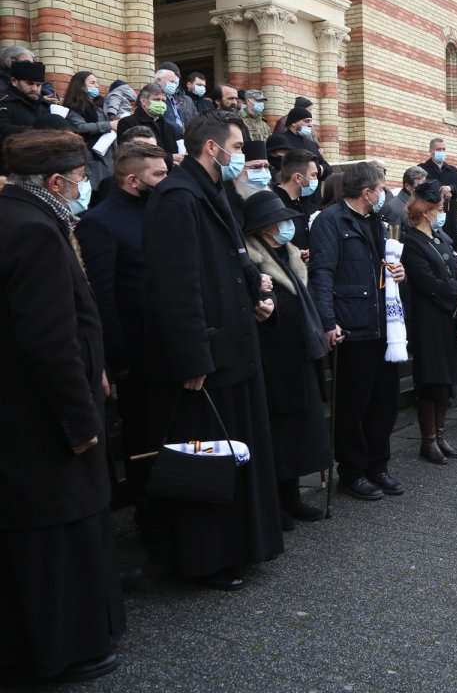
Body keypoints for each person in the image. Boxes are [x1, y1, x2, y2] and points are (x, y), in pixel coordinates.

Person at [0, 129, 125, 683]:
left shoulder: (16, 216)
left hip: (22, 410)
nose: (82, 188)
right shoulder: (33, 230)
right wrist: (79, 421)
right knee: (56, 533)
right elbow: (49, 340)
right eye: (78, 180)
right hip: (43, 417)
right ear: (54, 182)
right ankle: (62, 649)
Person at [141, 110, 283, 591]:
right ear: (212, 147)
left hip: (232, 346)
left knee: (235, 452)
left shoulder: (213, 192)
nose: (240, 156)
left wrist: (255, 296)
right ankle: (205, 559)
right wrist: (192, 357)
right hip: (207, 355)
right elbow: (176, 287)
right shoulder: (176, 199)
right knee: (207, 458)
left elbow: (231, 260)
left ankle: (238, 548)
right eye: (237, 147)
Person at [75, 142, 169, 512]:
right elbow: (103, 295)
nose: (166, 180)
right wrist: (119, 358)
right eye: (158, 174)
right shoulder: (100, 222)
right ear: (133, 180)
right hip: (136, 351)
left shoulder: (161, 210)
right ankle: (148, 509)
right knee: (143, 435)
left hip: (168, 342)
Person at [309, 161, 406, 499]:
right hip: (352, 327)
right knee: (353, 407)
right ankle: (352, 471)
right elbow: (321, 273)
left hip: (382, 326)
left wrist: (398, 272)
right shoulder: (330, 221)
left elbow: (384, 266)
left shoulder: (377, 222)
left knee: (384, 404)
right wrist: (327, 321)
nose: (384, 194)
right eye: (381, 189)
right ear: (367, 192)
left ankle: (379, 465)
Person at [241, 191, 331, 527]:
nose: (286, 226)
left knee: (297, 431)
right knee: (276, 434)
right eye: (280, 221)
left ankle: (292, 496)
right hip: (272, 359)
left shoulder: (289, 254)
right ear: (264, 227)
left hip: (298, 356)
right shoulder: (252, 261)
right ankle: (275, 503)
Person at [401, 181, 457, 462]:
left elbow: (455, 271)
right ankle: (428, 441)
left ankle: (441, 437)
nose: (442, 213)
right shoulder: (411, 242)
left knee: (446, 382)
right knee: (431, 381)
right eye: (439, 208)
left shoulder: (441, 236)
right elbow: (426, 281)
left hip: (450, 317)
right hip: (428, 320)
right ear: (425, 211)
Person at [62, 71, 119, 189]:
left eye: (97, 83)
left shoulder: (97, 106)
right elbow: (80, 127)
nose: (97, 86)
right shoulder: (74, 107)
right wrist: (109, 125)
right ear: (81, 86)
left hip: (107, 156)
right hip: (92, 158)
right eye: (92, 83)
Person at [0, 60, 51, 173]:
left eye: (38, 85)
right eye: (30, 83)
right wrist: (37, 132)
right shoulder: (3, 102)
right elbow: (3, 130)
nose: (35, 88)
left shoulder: (46, 105)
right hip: (10, 168)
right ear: (14, 81)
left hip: (41, 168)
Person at [420, 137, 457, 251]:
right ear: (431, 151)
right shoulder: (422, 169)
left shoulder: (452, 170)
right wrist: (439, 191)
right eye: (438, 149)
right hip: (430, 215)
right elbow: (418, 191)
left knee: (452, 246)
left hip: (450, 215)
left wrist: (451, 189)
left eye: (443, 149)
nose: (441, 152)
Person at [117, 83, 184, 163]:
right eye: (156, 99)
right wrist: (169, 158)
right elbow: (132, 154)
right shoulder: (128, 123)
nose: (161, 103)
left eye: (163, 100)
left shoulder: (170, 127)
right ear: (143, 101)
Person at [274, 148, 320, 257]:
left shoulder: (308, 204)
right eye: (313, 175)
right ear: (298, 178)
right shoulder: (273, 205)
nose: (316, 180)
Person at [278, 107, 332, 185]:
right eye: (306, 121)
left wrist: (317, 169)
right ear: (293, 123)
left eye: (311, 121)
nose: (310, 125)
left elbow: (327, 167)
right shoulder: (281, 141)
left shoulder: (311, 143)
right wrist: (316, 169)